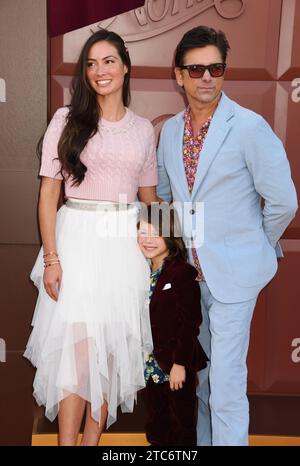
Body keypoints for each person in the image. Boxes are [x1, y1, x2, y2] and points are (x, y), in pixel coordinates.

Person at [156, 26, 298, 446]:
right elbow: (164, 200)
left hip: (234, 279)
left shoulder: (249, 127)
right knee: (199, 382)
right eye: (195, 68)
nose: (206, 77)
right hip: (189, 280)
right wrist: (166, 264)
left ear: (224, 72)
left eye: (215, 68)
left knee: (227, 386)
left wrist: (254, 244)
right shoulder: (168, 133)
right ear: (178, 75)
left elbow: (284, 202)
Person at [23, 29, 158, 446]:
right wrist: (51, 259)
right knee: (78, 358)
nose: (101, 71)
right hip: (77, 242)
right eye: (92, 63)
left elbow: (150, 202)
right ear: (85, 72)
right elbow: (48, 193)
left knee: (111, 356)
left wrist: (163, 257)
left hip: (122, 248)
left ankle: (93, 443)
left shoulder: (142, 130)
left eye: (109, 61)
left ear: (126, 66)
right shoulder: (66, 121)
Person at [138, 204, 208, 446]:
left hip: (176, 364)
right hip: (149, 365)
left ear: (169, 235)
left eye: (155, 234)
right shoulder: (138, 272)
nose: (148, 240)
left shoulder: (182, 273)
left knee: (181, 426)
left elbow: (190, 324)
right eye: (142, 233)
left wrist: (180, 364)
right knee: (157, 426)